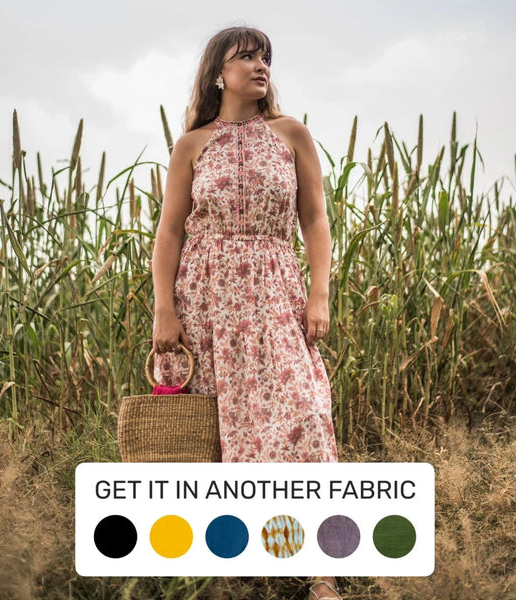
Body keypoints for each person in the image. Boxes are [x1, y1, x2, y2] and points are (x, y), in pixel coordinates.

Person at [151, 26, 341, 600]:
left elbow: (315, 221)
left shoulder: (292, 134)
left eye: (266, 57)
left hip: (275, 292)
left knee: (304, 416)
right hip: (205, 301)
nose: (261, 65)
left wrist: (319, 292)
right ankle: (233, 565)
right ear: (218, 73)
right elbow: (170, 230)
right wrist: (164, 307)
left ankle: (322, 572)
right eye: (248, 56)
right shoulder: (192, 145)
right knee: (216, 433)